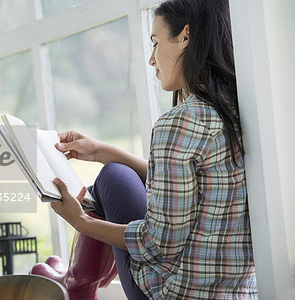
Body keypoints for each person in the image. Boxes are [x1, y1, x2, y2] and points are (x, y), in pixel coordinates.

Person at [31, 0, 257, 299]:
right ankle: (77, 280)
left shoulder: (179, 122)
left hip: (174, 293)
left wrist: (81, 222)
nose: (152, 60)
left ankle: (76, 281)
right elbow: (198, 188)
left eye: (155, 43)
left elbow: (157, 243)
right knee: (114, 172)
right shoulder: (238, 110)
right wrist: (103, 151)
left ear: (185, 36)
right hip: (238, 292)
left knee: (112, 177)